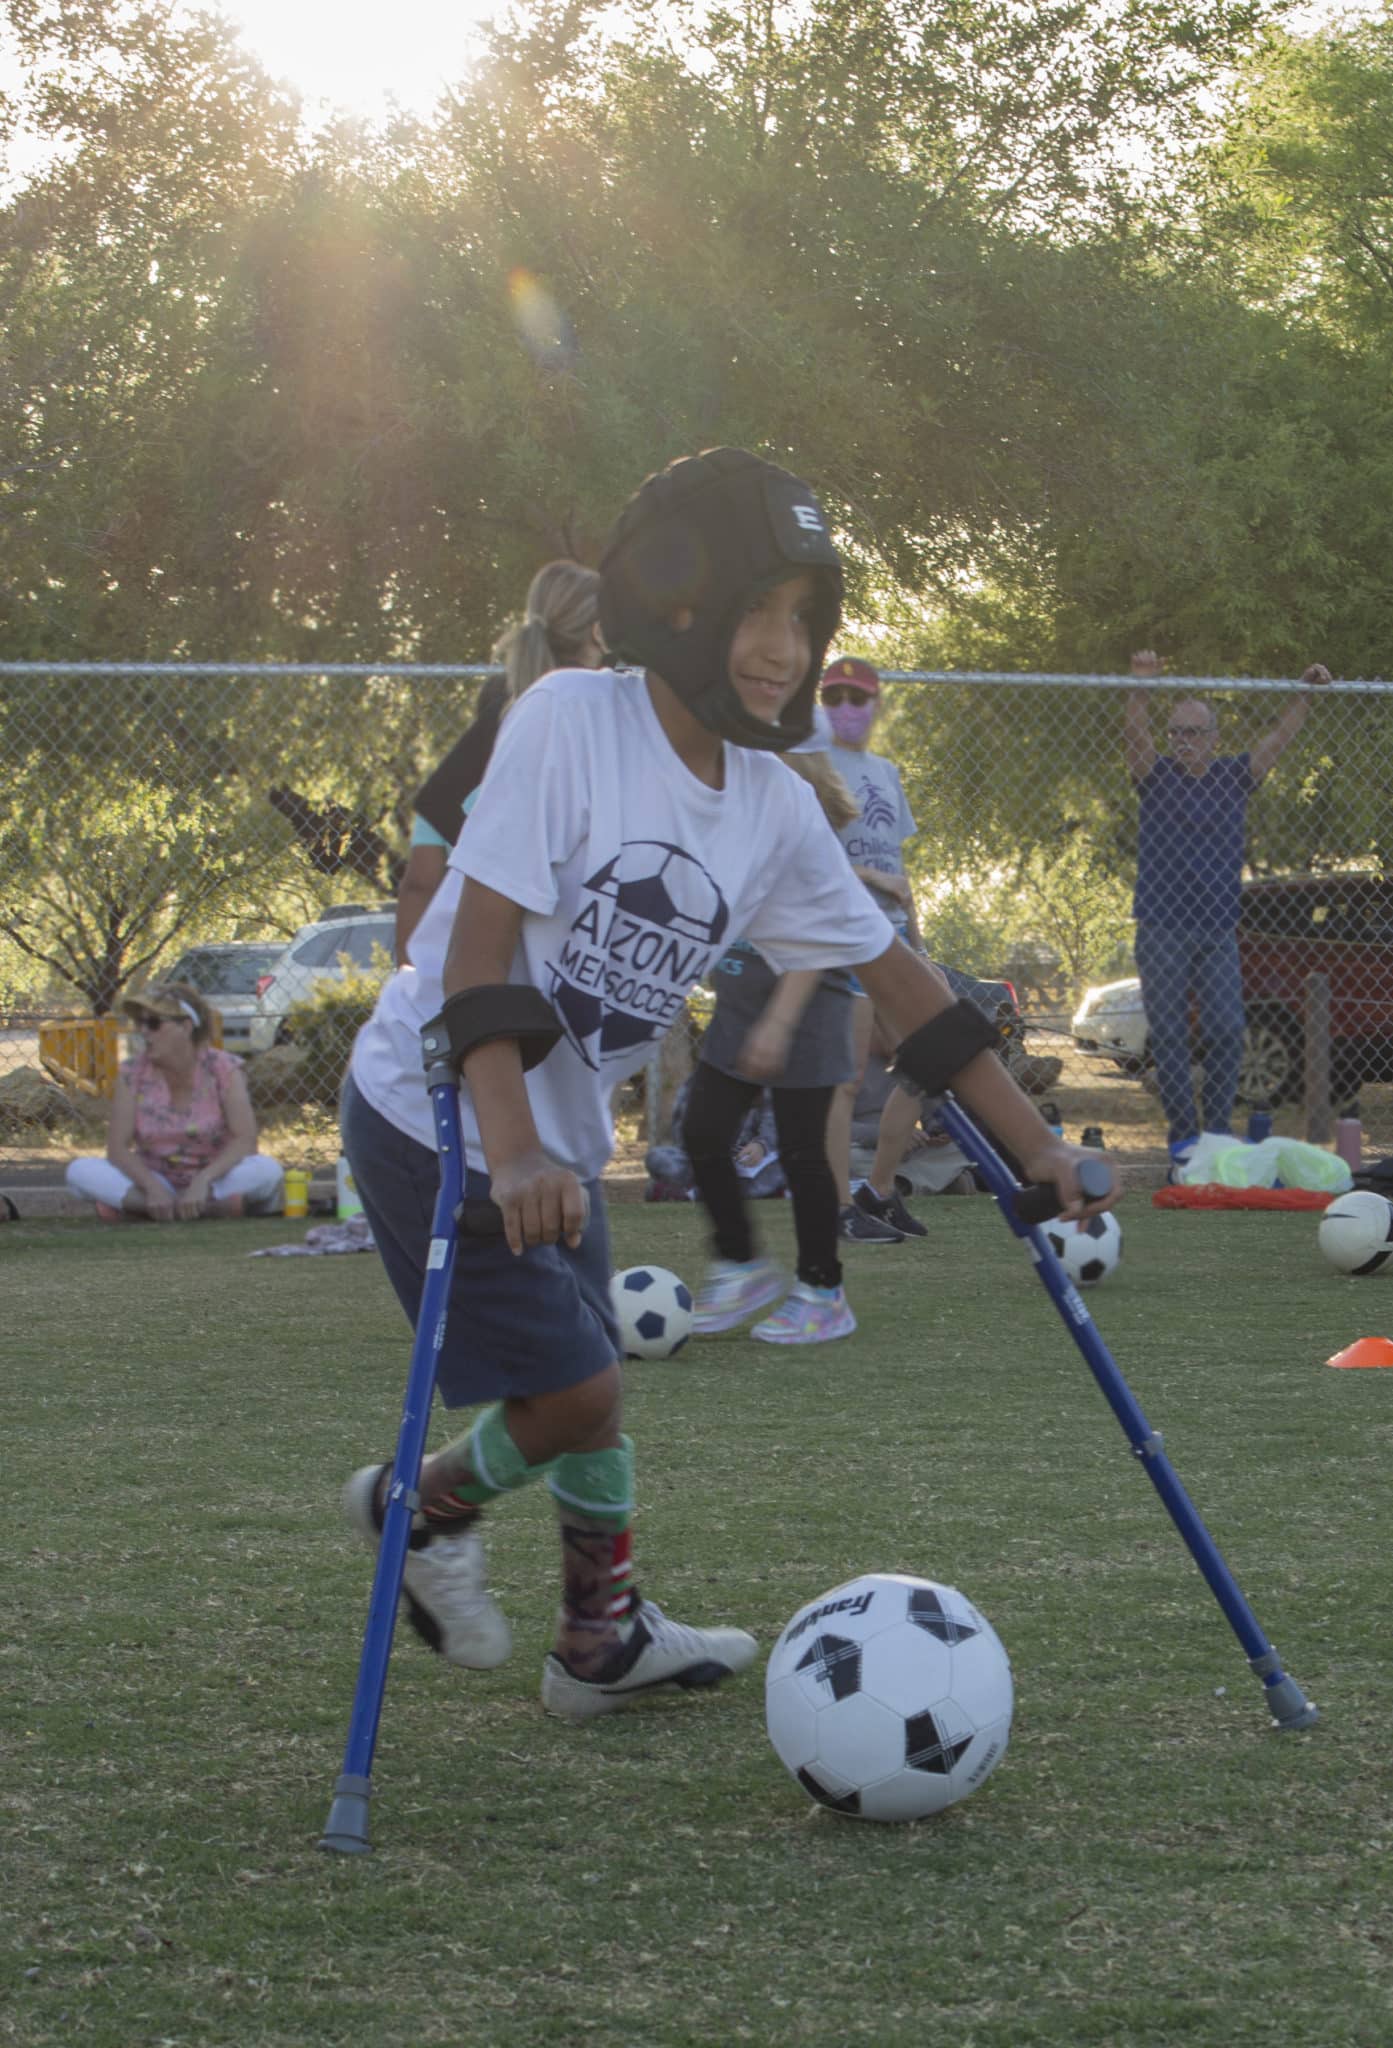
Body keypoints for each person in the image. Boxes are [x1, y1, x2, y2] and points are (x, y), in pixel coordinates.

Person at [340, 446, 1113, 1730]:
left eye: (804, 621)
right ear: (672, 602)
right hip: (439, 1108)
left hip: (556, 1134)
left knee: (591, 1387)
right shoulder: (568, 720)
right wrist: (517, 1148)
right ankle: (415, 1505)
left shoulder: (765, 801)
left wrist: (1034, 1142)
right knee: (580, 1387)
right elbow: (475, 950)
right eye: (757, 610)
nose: (782, 648)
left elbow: (903, 983)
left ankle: (600, 1638)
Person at [684, 715, 863, 1343]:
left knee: (803, 1152)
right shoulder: (742, 823)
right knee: (702, 1133)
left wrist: (779, 1025)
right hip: (742, 1005)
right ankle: (740, 1264)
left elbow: (813, 946)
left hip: (805, 1007)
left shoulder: (806, 832)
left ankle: (823, 1292)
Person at [1125, 649, 1332, 1174]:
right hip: (1161, 927)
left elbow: (1278, 741)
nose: (1183, 741)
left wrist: (1303, 694)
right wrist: (1141, 686)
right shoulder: (1156, 776)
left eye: (1194, 732)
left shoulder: (1232, 776)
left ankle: (1216, 1132)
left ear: (1214, 737)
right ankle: (1183, 1140)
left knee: (1225, 1028)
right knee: (1169, 1035)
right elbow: (1135, 738)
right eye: (1177, 733)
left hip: (1217, 930)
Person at [395, 562, 604, 960]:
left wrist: (408, 976)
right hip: (569, 969)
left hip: (464, 972)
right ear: (597, 631)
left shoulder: (461, 770)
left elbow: (420, 883)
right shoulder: (602, 732)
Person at [818, 655, 931, 1243]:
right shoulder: (813, 766)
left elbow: (901, 866)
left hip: (891, 938)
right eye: (833, 696)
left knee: (928, 1062)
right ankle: (839, 1209)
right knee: (844, 1078)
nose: (845, 708)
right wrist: (875, 880)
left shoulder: (885, 771)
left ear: (875, 703)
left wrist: (915, 931)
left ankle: (879, 1191)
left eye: (856, 698)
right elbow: (808, 857)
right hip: (844, 934)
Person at [66, 983, 283, 1220]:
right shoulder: (131, 1073)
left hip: (214, 1179)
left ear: (186, 1026)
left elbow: (245, 1140)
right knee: (79, 1172)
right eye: (140, 1024)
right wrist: (152, 1187)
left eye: (154, 1024)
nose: (143, 1031)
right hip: (154, 1177)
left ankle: (141, 1210)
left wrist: (204, 1180)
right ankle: (200, 1210)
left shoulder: (224, 1068)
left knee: (268, 1171)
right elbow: (117, 1149)